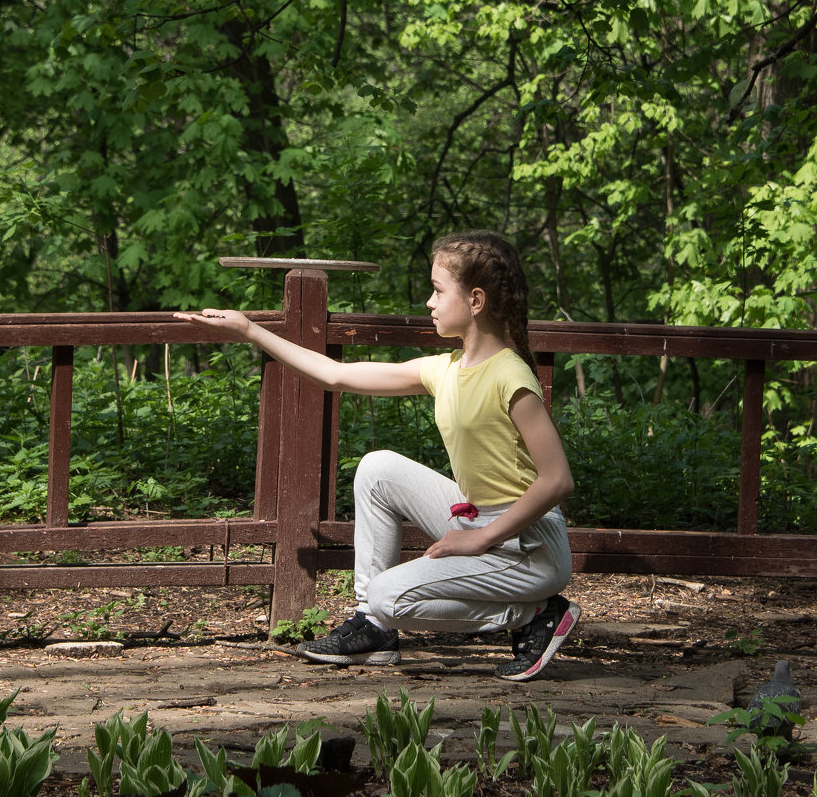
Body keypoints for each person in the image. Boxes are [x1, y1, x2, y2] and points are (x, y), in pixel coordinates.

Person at [174, 230, 578, 681]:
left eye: (438, 291)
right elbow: (335, 374)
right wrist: (249, 329)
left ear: (476, 301)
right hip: (480, 522)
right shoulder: (445, 370)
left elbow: (557, 479)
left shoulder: (510, 374)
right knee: (378, 468)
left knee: (392, 597)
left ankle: (536, 615)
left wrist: (480, 539)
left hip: (530, 547)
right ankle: (374, 629)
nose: (429, 301)